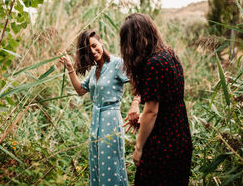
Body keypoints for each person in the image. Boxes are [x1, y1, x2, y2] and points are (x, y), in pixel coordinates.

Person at [119, 13, 193, 186]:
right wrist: (143, 119)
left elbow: (151, 112)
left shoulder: (153, 64)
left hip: (163, 144)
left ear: (133, 41)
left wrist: (138, 148)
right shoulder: (170, 54)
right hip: (181, 137)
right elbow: (166, 103)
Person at [59, 30, 135, 186]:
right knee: (97, 162)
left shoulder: (116, 64)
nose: (93, 51)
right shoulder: (94, 70)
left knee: (111, 164)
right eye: (89, 50)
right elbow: (81, 90)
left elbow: (138, 82)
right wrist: (70, 69)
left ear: (101, 43)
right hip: (96, 120)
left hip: (111, 120)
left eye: (94, 46)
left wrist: (136, 103)